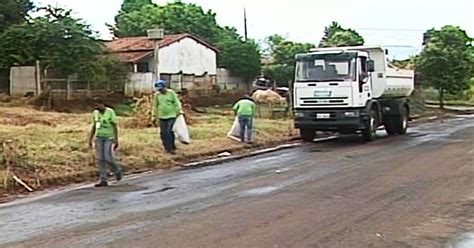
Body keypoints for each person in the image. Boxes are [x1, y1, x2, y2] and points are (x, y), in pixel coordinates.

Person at [88, 98, 122, 187]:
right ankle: (103, 179)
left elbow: (114, 126)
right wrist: (90, 139)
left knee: (107, 157)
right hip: (99, 137)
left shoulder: (110, 112)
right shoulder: (95, 113)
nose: (96, 107)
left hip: (108, 137)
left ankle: (117, 170)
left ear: (102, 104)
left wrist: (116, 138)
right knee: (100, 159)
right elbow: (94, 126)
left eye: (97, 105)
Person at [152, 80, 182, 154]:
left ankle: (171, 148)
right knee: (163, 133)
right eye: (159, 89)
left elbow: (176, 102)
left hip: (171, 115)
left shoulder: (171, 93)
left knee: (169, 132)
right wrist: (153, 116)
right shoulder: (157, 95)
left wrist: (179, 110)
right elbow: (155, 106)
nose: (160, 90)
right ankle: (166, 147)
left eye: (161, 89)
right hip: (161, 116)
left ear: (165, 87)